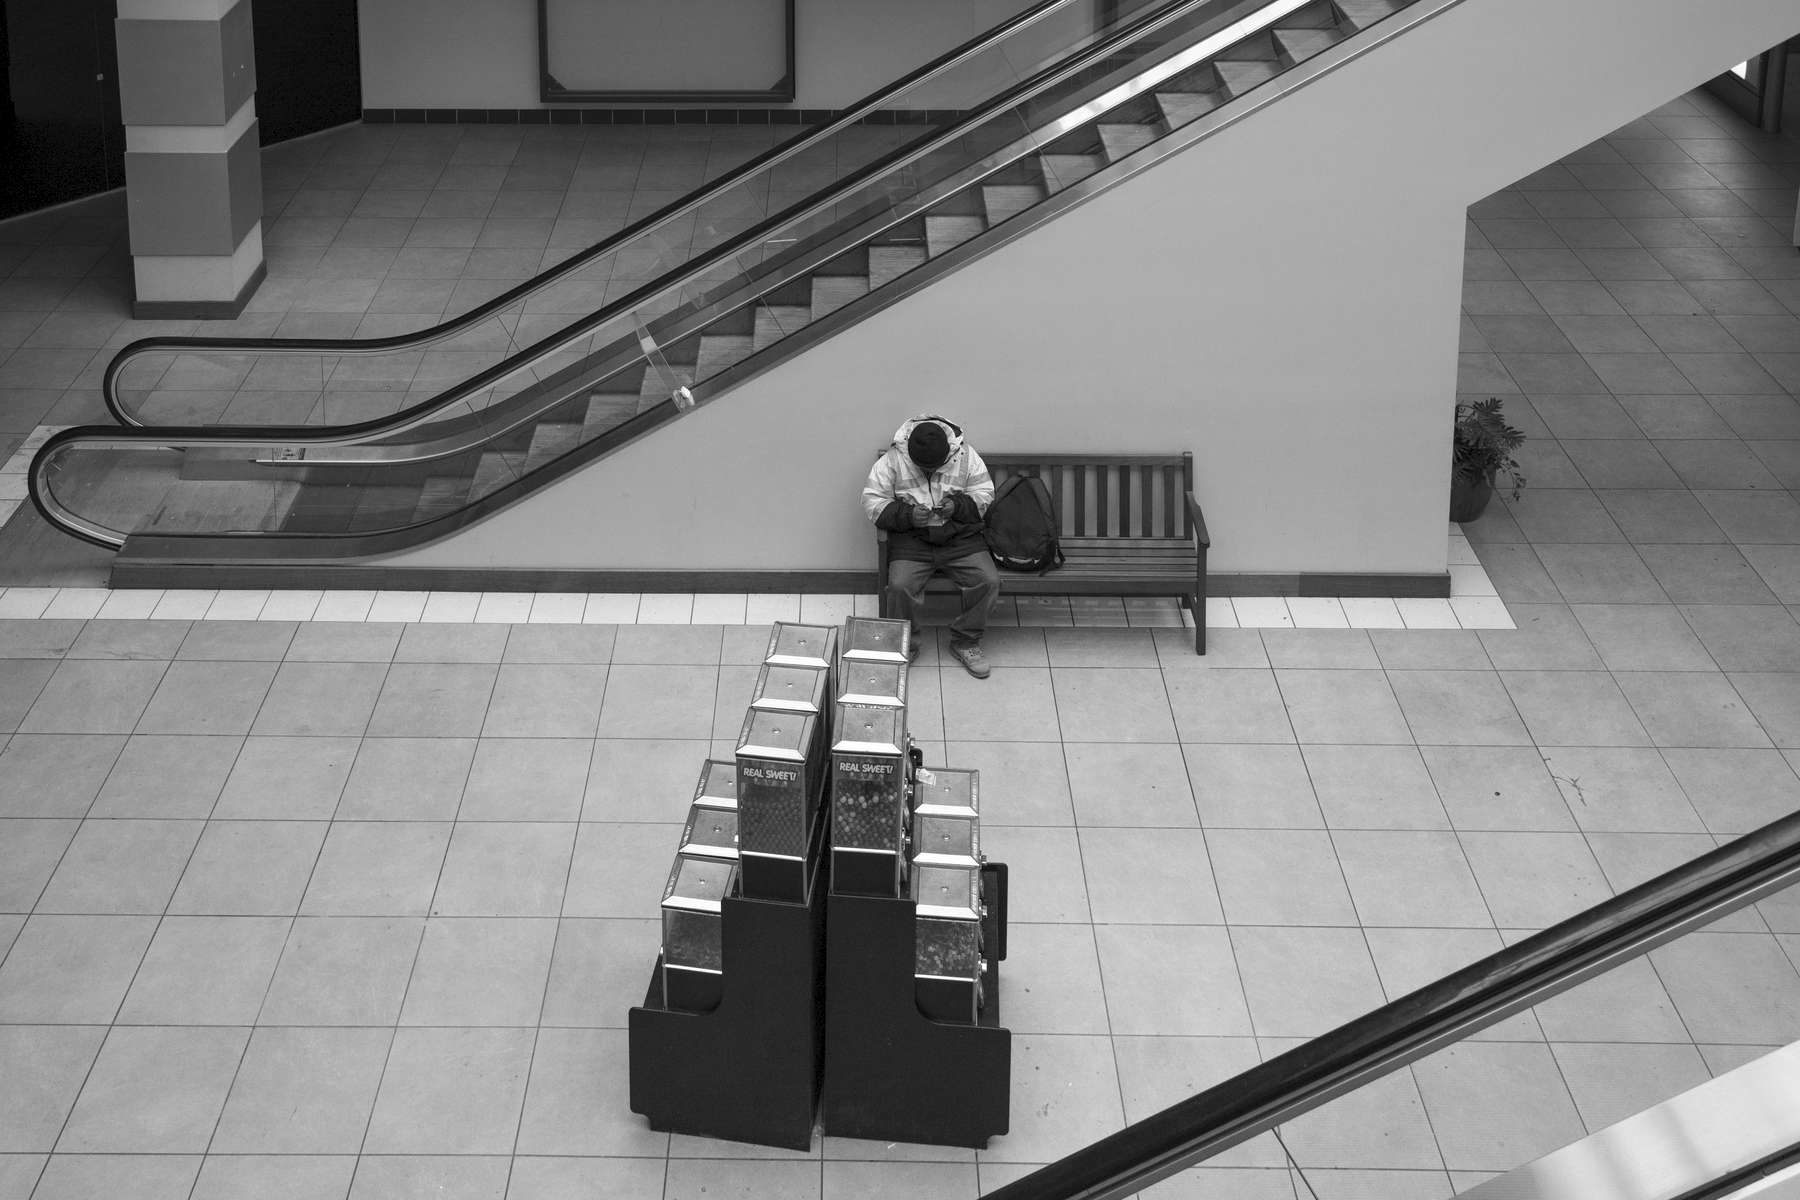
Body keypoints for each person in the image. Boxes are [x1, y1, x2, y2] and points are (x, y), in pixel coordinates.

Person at [862, 414, 999, 679]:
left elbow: (985, 493)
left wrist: (957, 506)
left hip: (961, 537)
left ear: (947, 452)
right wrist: (907, 516)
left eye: (935, 466)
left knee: (989, 581)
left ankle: (965, 641)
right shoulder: (892, 460)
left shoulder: (967, 456)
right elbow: (872, 502)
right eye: (924, 466)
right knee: (900, 586)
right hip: (913, 540)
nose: (930, 471)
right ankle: (905, 645)